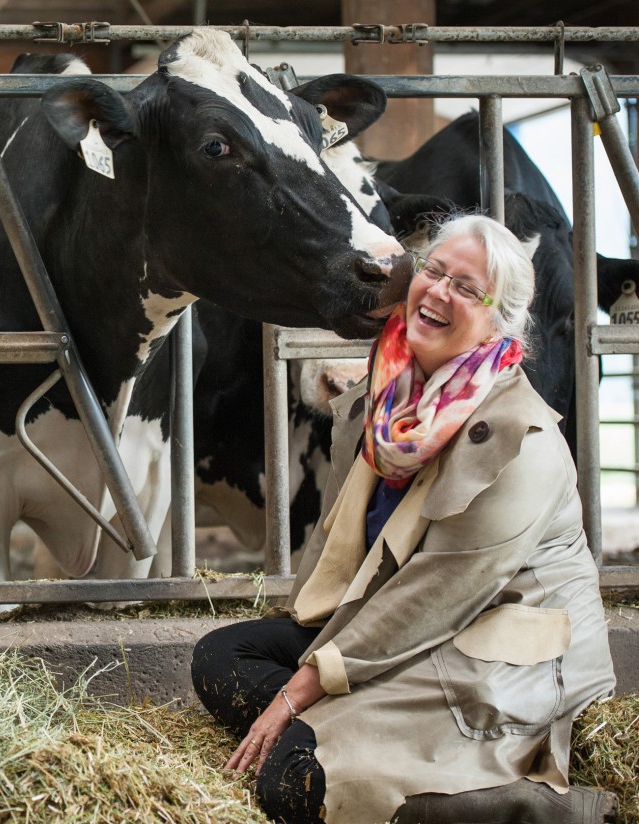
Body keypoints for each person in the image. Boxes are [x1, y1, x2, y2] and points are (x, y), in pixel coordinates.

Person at [191, 214, 617, 824]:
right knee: (221, 656)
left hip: (481, 654)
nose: (439, 291)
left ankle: (543, 810)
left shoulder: (521, 442)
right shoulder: (388, 398)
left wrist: (301, 691)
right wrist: (314, 666)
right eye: (434, 271)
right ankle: (349, 727)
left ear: (501, 321)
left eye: (467, 288)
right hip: (388, 623)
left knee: (296, 780)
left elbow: (438, 595)